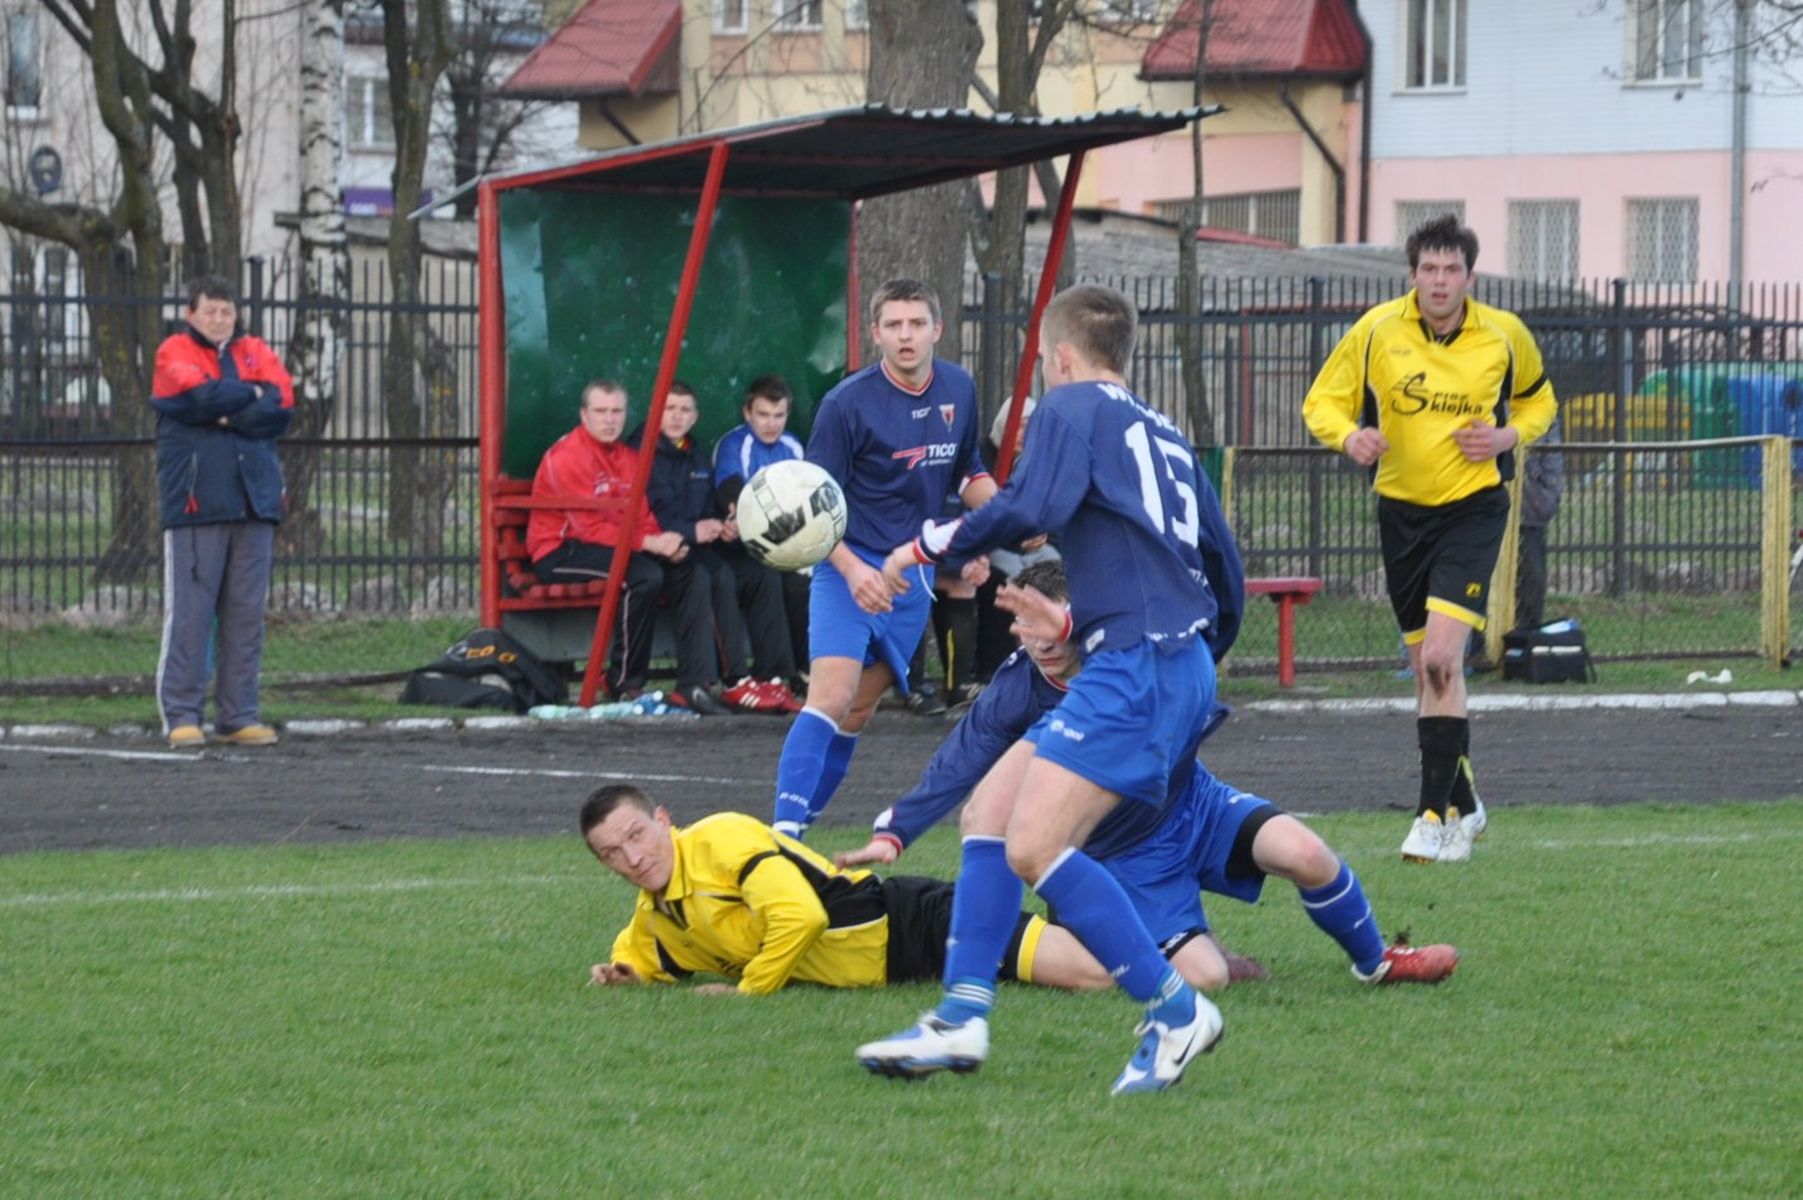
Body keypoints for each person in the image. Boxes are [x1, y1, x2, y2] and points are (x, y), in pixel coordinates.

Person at [860, 284, 1239, 1095]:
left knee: (1033, 845)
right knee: (989, 816)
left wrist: (919, 546)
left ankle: (1175, 1011)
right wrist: (1198, 664)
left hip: (1136, 661)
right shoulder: (1167, 434)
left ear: (1061, 358)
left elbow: (1029, 503)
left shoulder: (1070, 409)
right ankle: (961, 1018)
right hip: (1161, 659)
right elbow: (1224, 563)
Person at [837, 561, 1458, 993]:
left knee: (1305, 852)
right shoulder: (1014, 694)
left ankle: (1378, 961)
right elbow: (960, 762)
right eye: (1023, 626)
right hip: (1124, 857)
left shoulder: (1128, 651)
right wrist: (895, 832)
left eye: (1047, 623)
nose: (1038, 641)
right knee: (1206, 977)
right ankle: (1130, 935)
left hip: (1196, 806)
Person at [1302, 214, 1558, 866]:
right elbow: (1320, 403)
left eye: (1451, 271)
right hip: (1399, 513)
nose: (1439, 281)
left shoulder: (1504, 335)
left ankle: (1432, 817)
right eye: (1428, 270)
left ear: (1469, 277)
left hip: (1472, 509)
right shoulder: (1374, 330)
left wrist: (1506, 437)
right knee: (1424, 669)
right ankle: (1466, 799)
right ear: (1412, 274)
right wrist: (1348, 435)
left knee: (1444, 659)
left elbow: (1538, 402)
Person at [770, 279, 993, 839]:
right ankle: (782, 836)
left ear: (937, 329)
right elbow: (812, 508)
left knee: (859, 714)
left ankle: (803, 829)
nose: (906, 335)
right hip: (847, 564)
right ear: (875, 334)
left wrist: (1004, 525)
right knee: (832, 695)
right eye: (893, 325)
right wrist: (850, 568)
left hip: (910, 576)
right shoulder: (845, 404)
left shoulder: (960, 389)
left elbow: (968, 472)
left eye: (916, 323)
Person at [580, 784, 1116, 995]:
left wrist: (744, 994)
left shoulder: (719, 838)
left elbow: (801, 917)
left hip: (911, 923)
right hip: (897, 972)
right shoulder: (657, 917)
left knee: (1098, 977)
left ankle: (1137, 920)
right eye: (612, 854)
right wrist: (623, 977)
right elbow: (639, 959)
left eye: (635, 835)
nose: (632, 857)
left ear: (662, 819)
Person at [150, 275, 294, 750]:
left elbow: (282, 405)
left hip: (255, 502)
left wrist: (231, 407)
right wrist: (247, 395)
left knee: (245, 615)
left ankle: (238, 715)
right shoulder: (173, 351)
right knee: (190, 614)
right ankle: (182, 715)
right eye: (210, 311)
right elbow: (195, 399)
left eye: (226, 311)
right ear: (191, 314)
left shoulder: (257, 349)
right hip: (197, 504)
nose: (219, 319)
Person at [527, 379, 730, 715]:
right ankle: (623, 682)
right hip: (562, 549)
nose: (609, 420)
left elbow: (641, 516)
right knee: (643, 575)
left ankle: (694, 684)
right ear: (584, 415)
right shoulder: (568, 456)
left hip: (616, 545)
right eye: (601, 411)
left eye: (617, 411)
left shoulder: (627, 457)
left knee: (689, 570)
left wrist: (665, 544)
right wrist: (650, 543)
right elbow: (586, 526)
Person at [640, 381, 799, 713]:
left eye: (684, 410)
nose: (677, 417)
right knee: (714, 574)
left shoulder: (692, 451)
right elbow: (647, 514)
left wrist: (723, 526)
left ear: (696, 416)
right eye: (670, 409)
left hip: (699, 546)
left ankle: (771, 679)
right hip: (660, 552)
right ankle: (728, 681)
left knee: (760, 574)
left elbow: (708, 506)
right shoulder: (641, 452)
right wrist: (690, 531)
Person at [712, 374, 811, 685]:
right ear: (747, 413)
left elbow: (807, 501)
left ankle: (803, 672)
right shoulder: (734, 444)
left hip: (786, 542)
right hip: (740, 547)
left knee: (804, 581)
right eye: (763, 415)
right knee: (770, 577)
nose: (771, 424)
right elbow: (733, 498)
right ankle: (775, 674)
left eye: (779, 415)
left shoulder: (793, 446)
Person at [1514, 418, 1565, 634]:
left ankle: (1525, 640)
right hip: (1489, 513)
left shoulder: (1544, 414)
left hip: (1531, 510)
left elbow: (1553, 464)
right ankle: (1479, 649)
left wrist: (1545, 498)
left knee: (1532, 580)